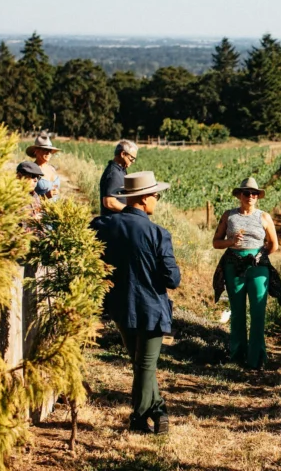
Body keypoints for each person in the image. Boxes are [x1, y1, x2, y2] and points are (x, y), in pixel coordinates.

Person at [90, 171, 181, 434]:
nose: (157, 200)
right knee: (145, 366)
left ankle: (158, 408)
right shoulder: (157, 233)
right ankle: (140, 418)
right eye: (156, 195)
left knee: (140, 365)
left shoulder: (103, 225)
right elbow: (172, 279)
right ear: (142, 199)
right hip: (151, 308)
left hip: (120, 305)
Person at [212, 177, 279, 370]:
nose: (251, 196)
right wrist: (231, 241)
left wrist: (259, 255)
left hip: (258, 267)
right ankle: (237, 354)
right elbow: (216, 242)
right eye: (247, 193)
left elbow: (274, 244)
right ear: (239, 195)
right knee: (237, 311)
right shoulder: (229, 216)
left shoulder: (264, 217)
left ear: (258, 197)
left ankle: (256, 357)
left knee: (258, 312)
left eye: (254, 193)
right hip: (233, 265)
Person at [100, 140, 138, 216]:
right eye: (132, 158)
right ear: (123, 154)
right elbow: (109, 202)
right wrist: (130, 210)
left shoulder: (120, 170)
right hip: (113, 222)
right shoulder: (114, 173)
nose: (133, 161)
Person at [26, 132, 61, 201]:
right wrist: (45, 197)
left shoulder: (52, 168)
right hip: (39, 210)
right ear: (36, 151)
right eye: (45, 150)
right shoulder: (31, 170)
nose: (48, 153)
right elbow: (26, 198)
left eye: (50, 150)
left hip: (55, 209)